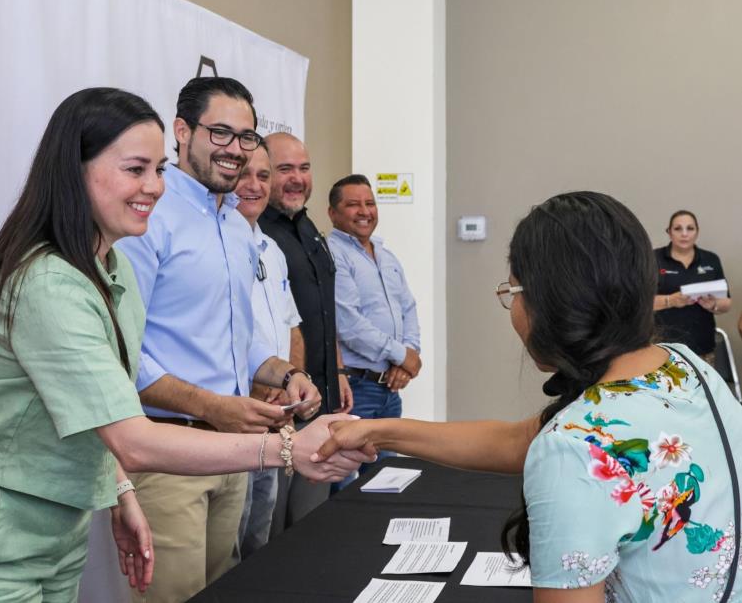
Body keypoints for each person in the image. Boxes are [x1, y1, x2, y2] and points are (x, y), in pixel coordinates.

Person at [0, 87, 369, 603]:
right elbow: (132, 434)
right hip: (15, 536)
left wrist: (121, 488)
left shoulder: (114, 266)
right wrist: (287, 449)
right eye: (135, 170)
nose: (153, 187)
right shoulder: (48, 282)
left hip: (64, 530)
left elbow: (101, 400)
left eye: (155, 170)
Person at [316, 191, 742, 602]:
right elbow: (518, 441)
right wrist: (382, 432)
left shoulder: (573, 447)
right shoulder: (681, 364)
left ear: (553, 304)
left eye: (512, 291)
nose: (512, 310)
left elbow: (562, 446)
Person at [115, 78, 335, 602]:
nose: (235, 149)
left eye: (245, 136)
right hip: (169, 452)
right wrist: (214, 406)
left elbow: (241, 342)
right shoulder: (150, 217)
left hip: (231, 452)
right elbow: (123, 354)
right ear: (182, 131)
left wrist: (288, 374)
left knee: (226, 588)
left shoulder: (237, 228)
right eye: (220, 133)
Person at [258, 133, 353, 533]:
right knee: (274, 531)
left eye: (304, 168)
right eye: (284, 170)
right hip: (286, 413)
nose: (297, 178)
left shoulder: (310, 228)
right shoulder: (258, 233)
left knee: (314, 527)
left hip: (324, 403)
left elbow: (323, 312)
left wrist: (339, 370)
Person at [234, 142, 303, 556]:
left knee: (259, 538)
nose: (254, 185)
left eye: (263, 176)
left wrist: (290, 378)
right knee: (230, 545)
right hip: (236, 415)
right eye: (244, 174)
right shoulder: (217, 243)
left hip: (276, 417)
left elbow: (291, 325)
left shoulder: (272, 250)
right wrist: (259, 387)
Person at [327, 174, 420, 458]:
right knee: (343, 485)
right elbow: (349, 325)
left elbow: (408, 308)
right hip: (356, 391)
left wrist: (407, 357)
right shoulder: (332, 254)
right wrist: (401, 355)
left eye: (370, 203)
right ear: (332, 213)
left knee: (386, 482)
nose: (365, 211)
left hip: (390, 390)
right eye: (353, 204)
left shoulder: (386, 254)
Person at [653, 210, 731, 363]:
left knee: (704, 387)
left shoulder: (711, 259)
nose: (684, 234)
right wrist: (671, 300)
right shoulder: (653, 258)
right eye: (678, 229)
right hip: (663, 350)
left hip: (703, 348)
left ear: (697, 232)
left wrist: (713, 304)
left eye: (690, 228)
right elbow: (640, 302)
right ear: (669, 232)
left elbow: (727, 303)